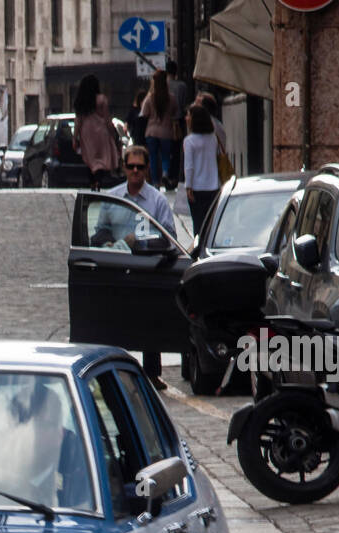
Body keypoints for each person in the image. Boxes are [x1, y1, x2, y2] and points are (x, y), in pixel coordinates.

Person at [105, 145, 175, 389]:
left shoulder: (157, 201)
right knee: (114, 320)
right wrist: (110, 243)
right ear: (124, 167)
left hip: (147, 268)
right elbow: (99, 233)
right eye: (131, 166)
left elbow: (169, 237)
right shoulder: (111, 197)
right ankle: (112, 371)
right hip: (117, 267)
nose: (135, 171)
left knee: (149, 319)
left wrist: (141, 242)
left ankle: (152, 373)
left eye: (140, 167)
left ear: (147, 169)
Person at [73, 74, 120, 190]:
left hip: (86, 134)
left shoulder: (81, 101)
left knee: (90, 159)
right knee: (102, 159)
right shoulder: (102, 99)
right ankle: (98, 180)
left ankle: (92, 182)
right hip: (101, 133)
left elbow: (78, 121)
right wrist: (113, 133)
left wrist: (75, 137)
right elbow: (107, 119)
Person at [183, 104, 221, 236]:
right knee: (210, 222)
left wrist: (188, 186)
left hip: (197, 188)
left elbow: (189, 166)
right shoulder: (213, 138)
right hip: (213, 185)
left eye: (188, 115)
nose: (186, 118)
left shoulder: (189, 141)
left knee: (197, 223)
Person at [139, 69, 178, 189]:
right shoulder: (171, 98)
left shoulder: (150, 98)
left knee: (153, 157)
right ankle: (165, 173)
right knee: (166, 155)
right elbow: (175, 112)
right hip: (166, 132)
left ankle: (155, 182)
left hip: (151, 131)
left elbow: (143, 114)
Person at [166, 60, 190, 190]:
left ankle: (166, 174)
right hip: (178, 121)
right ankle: (175, 176)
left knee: (165, 151)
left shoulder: (162, 85)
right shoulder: (182, 86)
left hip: (164, 122)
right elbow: (184, 104)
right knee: (177, 151)